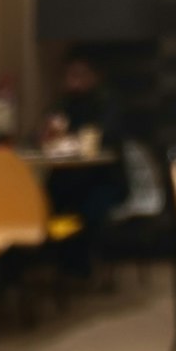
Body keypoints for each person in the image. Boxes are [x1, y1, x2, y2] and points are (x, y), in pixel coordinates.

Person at [45, 51, 128, 274]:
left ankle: (80, 267)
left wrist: (78, 139)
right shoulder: (64, 103)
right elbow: (48, 132)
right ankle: (58, 265)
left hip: (104, 178)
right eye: (70, 76)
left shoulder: (107, 101)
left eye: (80, 75)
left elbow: (108, 135)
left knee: (87, 209)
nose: (75, 81)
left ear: (94, 76)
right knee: (47, 199)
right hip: (69, 177)